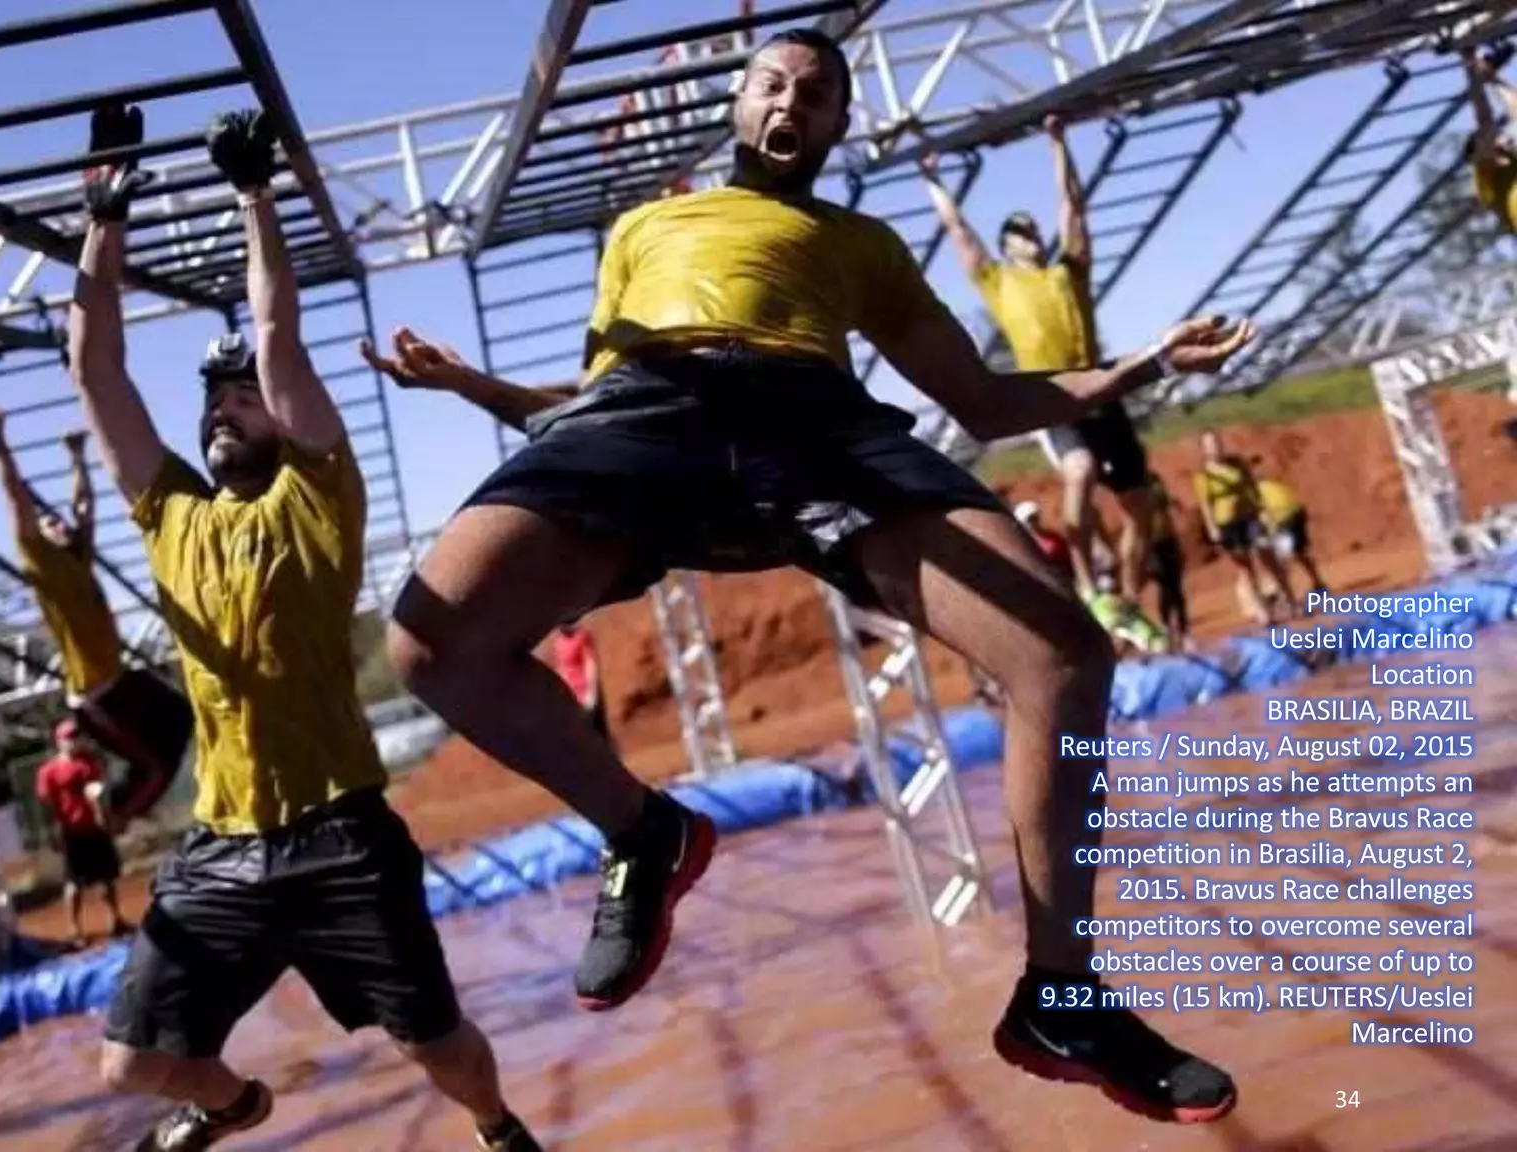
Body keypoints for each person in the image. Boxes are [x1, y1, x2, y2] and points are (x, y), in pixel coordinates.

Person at [365, 28, 1251, 1125]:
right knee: (427, 644)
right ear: (739, 107)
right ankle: (643, 831)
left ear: (835, 125)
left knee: (1065, 651)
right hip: (648, 411)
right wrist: (468, 384)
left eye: (815, 92)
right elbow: (579, 408)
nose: (790, 100)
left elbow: (982, 401)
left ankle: (1058, 995)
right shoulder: (645, 226)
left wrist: (1143, 362)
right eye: (770, 84)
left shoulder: (859, 242)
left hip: (814, 421)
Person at [68, 103, 541, 1151]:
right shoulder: (170, 515)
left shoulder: (316, 496)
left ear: (281, 417)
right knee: (129, 1061)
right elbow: (95, 372)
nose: (223, 408)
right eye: (212, 403)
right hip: (219, 848)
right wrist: (104, 213)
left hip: (340, 838)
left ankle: (499, 1128)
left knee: (437, 1047)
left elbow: (279, 340)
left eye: (243, 397)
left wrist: (254, 196)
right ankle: (232, 1105)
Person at [921, 115, 1162, 653]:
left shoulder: (1067, 272)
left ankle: (1125, 600)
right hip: (1054, 396)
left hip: (1102, 390)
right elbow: (960, 234)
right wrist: (933, 181)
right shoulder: (998, 281)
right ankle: (1087, 581)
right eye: (1020, 230)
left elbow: (1073, 208)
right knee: (1079, 469)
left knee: (1142, 511)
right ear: (1007, 244)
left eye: (1034, 229)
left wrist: (1058, 143)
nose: (1032, 234)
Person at [0, 409, 194, 826]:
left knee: (183, 714)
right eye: (50, 522)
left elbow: (84, 506)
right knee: (153, 765)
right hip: (96, 696)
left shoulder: (78, 557)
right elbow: (16, 500)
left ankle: (122, 792)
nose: (59, 522)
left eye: (59, 519)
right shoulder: (42, 561)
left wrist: (76, 456)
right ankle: (119, 815)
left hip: (118, 678)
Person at [35, 718, 130, 948]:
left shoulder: (89, 763)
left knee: (107, 877)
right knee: (74, 882)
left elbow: (98, 794)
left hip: (95, 828)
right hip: (72, 831)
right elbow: (47, 804)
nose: (74, 741)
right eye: (68, 737)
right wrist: (52, 831)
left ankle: (115, 919)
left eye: (76, 736)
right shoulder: (50, 771)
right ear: (59, 742)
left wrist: (107, 819)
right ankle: (74, 928)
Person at [1190, 432, 1292, 627]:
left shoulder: (1237, 463)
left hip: (1249, 516)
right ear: (1203, 450)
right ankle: (1263, 612)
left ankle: (1290, 598)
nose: (1216, 448)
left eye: (1217, 443)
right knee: (1245, 567)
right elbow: (1205, 503)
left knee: (1266, 555)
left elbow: (1252, 486)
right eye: (1210, 445)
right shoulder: (1203, 475)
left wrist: (1262, 509)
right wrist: (1212, 527)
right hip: (1227, 523)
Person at [1465, 44, 1517, 234]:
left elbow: (1488, 118)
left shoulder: (1503, 161)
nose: (1502, 139)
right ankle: (1489, 75)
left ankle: (1490, 75)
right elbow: (1484, 119)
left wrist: (1489, 78)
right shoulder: (1485, 172)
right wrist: (1469, 65)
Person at [1255, 466, 1325, 602]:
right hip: (1297, 513)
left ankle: (1279, 591)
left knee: (1282, 557)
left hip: (1284, 518)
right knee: (1299, 552)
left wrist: (1270, 529)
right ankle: (1318, 582)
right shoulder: (1269, 482)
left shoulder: (1254, 492)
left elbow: (1263, 513)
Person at [1143, 473, 1190, 650]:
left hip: (1168, 537)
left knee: (1176, 585)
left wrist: (1172, 503)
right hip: (1150, 542)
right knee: (1165, 586)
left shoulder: (1154, 478)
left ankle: (1184, 632)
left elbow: (1164, 501)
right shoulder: (1130, 483)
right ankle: (1166, 628)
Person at [550, 621, 610, 744]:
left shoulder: (582, 635)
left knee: (597, 733)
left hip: (586, 693)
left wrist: (592, 694)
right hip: (571, 695)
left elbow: (591, 664)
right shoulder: (557, 642)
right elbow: (561, 669)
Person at [1012, 500, 1072, 577]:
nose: (1032, 523)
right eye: (1029, 520)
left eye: (1034, 518)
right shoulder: (1025, 543)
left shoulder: (1053, 538)